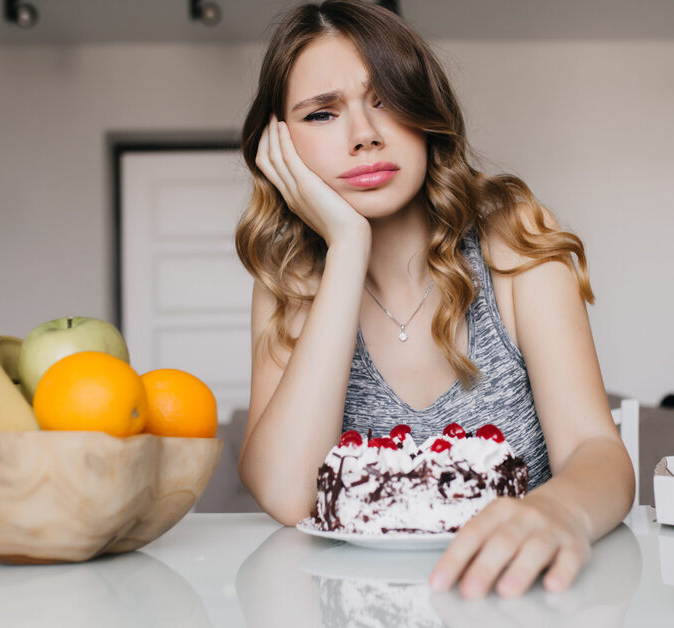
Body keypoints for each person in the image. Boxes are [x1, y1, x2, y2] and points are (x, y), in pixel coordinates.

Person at [235, 0, 634, 599]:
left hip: (521, 601)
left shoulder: (513, 238)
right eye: (321, 114)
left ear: (427, 113)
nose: (364, 136)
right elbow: (290, 496)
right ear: (280, 145)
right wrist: (346, 246)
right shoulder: (287, 284)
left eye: (386, 99)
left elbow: (594, 448)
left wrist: (563, 513)